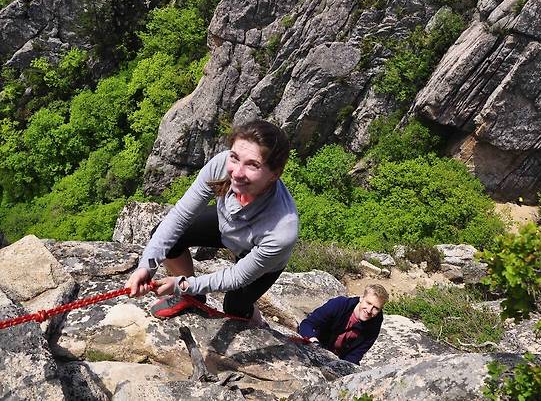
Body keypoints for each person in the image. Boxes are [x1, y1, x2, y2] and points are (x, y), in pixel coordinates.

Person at [125, 119, 298, 326]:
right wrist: (147, 266)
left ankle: (259, 324)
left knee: (234, 307)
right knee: (167, 239)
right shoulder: (221, 165)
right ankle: (192, 299)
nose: (237, 172)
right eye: (235, 158)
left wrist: (183, 285)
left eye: (253, 165)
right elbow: (180, 216)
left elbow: (237, 277)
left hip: (259, 250)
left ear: (274, 174)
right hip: (227, 225)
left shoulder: (282, 231)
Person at [298, 284, 389, 365]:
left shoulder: (375, 323)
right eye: (368, 303)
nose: (369, 310)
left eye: (375, 308)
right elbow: (307, 324)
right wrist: (314, 342)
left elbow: (357, 353)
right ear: (361, 298)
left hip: (339, 360)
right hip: (316, 347)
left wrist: (344, 367)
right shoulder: (339, 305)